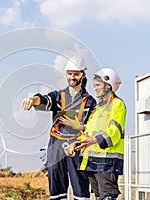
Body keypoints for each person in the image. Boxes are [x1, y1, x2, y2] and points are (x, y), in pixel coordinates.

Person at [21, 55, 96, 200]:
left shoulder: (90, 102)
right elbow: (42, 99)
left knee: (81, 189)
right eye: (69, 73)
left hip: (78, 147)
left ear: (83, 75)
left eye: (76, 74)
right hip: (55, 145)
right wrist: (32, 100)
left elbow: (93, 128)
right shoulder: (57, 96)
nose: (72, 77)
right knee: (56, 189)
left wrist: (80, 126)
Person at [60, 68, 126, 200]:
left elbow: (115, 131)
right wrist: (77, 144)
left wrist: (94, 140)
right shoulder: (97, 109)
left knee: (107, 196)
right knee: (98, 196)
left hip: (106, 162)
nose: (95, 89)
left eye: (98, 85)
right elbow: (89, 133)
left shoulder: (117, 104)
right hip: (91, 161)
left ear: (109, 85)